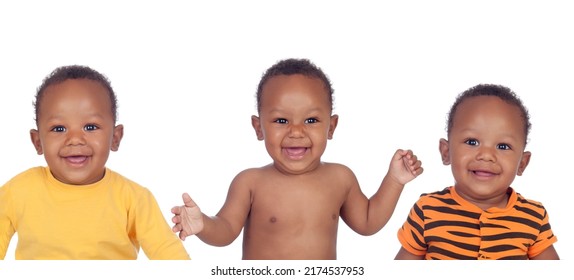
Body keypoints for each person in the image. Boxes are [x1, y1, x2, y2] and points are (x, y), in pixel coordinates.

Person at [170, 58, 423, 260]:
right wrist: (202, 223)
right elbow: (225, 230)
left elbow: (367, 222)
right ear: (259, 128)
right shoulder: (250, 182)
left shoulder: (340, 178)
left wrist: (394, 180)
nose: (296, 131)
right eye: (281, 121)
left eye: (311, 120)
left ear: (331, 127)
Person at [0, 65, 190, 260]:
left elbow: (169, 254)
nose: (75, 139)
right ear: (38, 141)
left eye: (90, 127)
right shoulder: (18, 191)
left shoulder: (134, 199)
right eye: (58, 129)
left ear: (115, 138)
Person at [395, 84, 559, 260]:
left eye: (503, 146)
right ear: (446, 152)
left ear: (522, 163)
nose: (486, 155)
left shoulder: (533, 216)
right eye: (472, 142)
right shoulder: (427, 210)